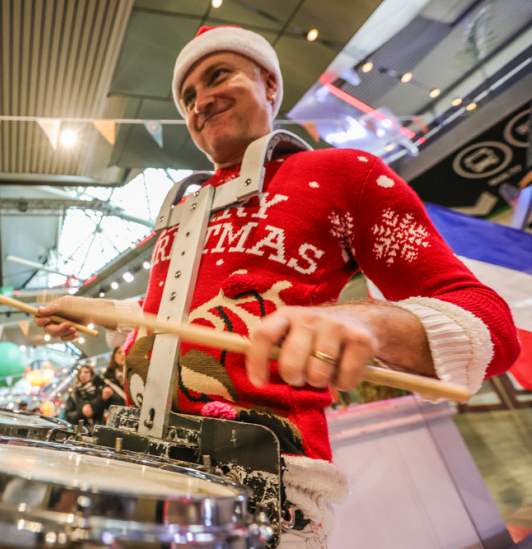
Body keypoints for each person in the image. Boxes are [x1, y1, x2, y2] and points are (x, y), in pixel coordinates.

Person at [35, 25, 520, 547]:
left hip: (264, 485)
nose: (200, 100)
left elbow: (489, 323)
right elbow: (176, 315)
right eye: (187, 96)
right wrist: (103, 312)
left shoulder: (344, 173)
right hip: (136, 461)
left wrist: (363, 320)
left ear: (269, 84)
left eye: (218, 75)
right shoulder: (178, 210)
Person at [64, 364, 105, 433]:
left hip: (100, 430)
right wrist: (81, 412)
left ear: (91, 374)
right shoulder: (74, 394)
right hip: (81, 432)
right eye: (80, 372)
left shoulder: (99, 391)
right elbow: (69, 416)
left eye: (86, 372)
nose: (82, 375)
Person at [100, 347, 127, 416]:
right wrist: (103, 397)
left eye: (125, 351)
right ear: (114, 356)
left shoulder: (135, 375)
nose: (123, 354)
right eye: (119, 352)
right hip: (118, 417)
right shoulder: (106, 379)